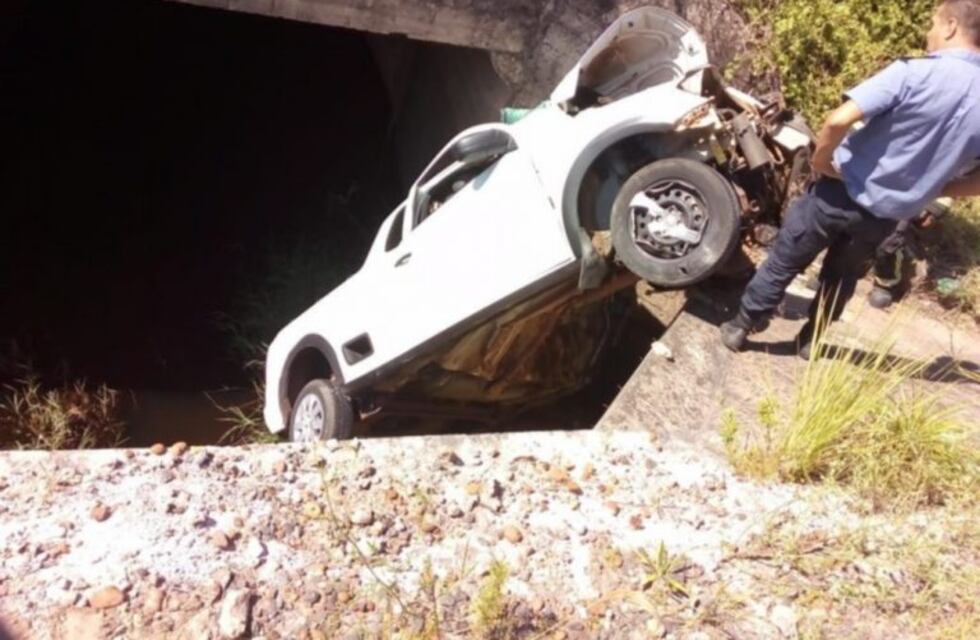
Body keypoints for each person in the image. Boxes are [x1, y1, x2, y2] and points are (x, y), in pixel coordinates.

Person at [720, 0, 980, 357]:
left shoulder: (914, 73)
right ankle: (810, 342)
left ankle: (740, 326)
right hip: (885, 218)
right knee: (841, 278)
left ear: (951, 26)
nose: (928, 32)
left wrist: (822, 161)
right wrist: (933, 188)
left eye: (934, 23)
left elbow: (838, 120)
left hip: (838, 193)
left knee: (786, 258)